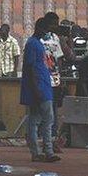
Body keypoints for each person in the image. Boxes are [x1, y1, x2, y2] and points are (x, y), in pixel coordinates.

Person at [20, 18, 60, 163]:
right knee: (47, 120)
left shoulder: (36, 44)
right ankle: (46, 151)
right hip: (40, 87)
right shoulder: (33, 44)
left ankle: (37, 152)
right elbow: (31, 68)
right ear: (40, 29)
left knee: (35, 119)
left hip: (42, 85)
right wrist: (37, 88)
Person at [41, 12, 65, 152]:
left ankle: (52, 140)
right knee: (43, 111)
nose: (56, 26)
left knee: (54, 111)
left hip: (54, 78)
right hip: (42, 78)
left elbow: (59, 58)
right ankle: (43, 140)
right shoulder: (38, 39)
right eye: (54, 24)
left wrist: (59, 77)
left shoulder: (55, 38)